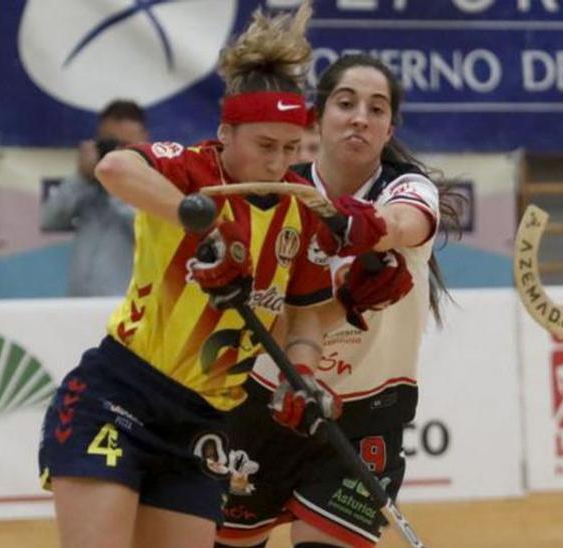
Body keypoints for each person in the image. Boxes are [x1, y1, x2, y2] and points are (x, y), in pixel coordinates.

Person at [37, 5, 338, 547]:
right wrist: (198, 224)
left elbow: (306, 313)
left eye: (291, 149)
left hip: (203, 423)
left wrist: (304, 375)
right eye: (265, 146)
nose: (278, 162)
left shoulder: (302, 210)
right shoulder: (195, 171)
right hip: (120, 394)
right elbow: (114, 168)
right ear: (226, 133)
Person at [217, 53, 460, 548]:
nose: (360, 118)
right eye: (346, 103)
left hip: (366, 414)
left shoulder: (407, 187)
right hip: (265, 401)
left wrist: (361, 226)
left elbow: (402, 222)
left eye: (376, 109)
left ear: (390, 128)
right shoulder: (279, 191)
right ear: (318, 117)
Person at [39, 99, 148, 296]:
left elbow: (146, 230)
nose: (117, 152)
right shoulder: (87, 185)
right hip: (79, 304)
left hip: (127, 306)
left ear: (144, 141)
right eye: (109, 144)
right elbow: (49, 219)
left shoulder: (154, 184)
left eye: (125, 145)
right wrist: (81, 177)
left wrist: (116, 185)